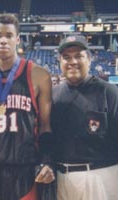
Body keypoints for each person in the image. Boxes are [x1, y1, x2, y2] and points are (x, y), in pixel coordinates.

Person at [0, 13, 55, 200]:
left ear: (17, 39)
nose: (3, 40)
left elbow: (45, 126)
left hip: (26, 169)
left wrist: (47, 161)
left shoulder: (39, 75)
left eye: (9, 36)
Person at [51, 35, 118, 200]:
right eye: (66, 57)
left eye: (78, 56)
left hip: (99, 174)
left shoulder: (108, 91)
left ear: (89, 59)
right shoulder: (54, 94)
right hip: (61, 176)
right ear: (60, 62)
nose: (72, 61)